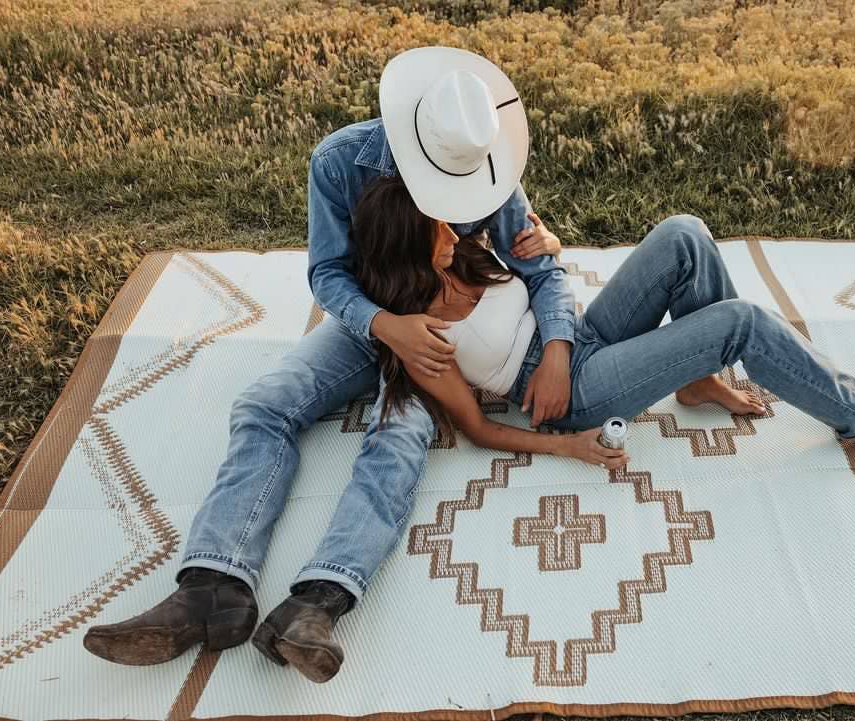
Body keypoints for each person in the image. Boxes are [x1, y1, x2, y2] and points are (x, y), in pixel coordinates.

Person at [81, 47, 575, 683]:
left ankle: (317, 603)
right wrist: (384, 324)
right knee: (264, 404)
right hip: (367, 321)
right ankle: (212, 588)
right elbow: (328, 274)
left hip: (441, 337)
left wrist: (557, 343)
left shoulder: (483, 161)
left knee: (397, 433)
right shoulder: (339, 162)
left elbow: (539, 265)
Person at [352, 173, 855, 473]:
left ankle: (695, 381)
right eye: (435, 226)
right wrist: (567, 444)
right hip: (574, 394)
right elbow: (479, 428)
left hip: (577, 339)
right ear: (408, 245)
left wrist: (550, 251)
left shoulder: (459, 252)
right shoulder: (418, 337)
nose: (451, 228)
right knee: (739, 323)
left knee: (683, 233)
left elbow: (542, 276)